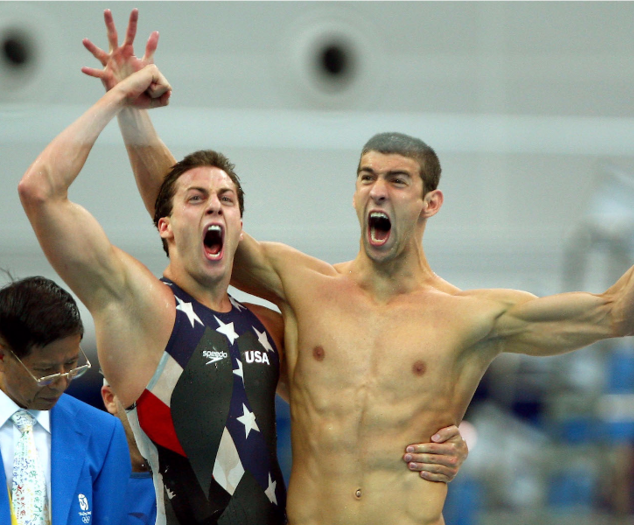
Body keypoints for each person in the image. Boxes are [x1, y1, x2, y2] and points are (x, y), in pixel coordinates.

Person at [81, 9, 634, 525]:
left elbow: (619, 313)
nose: (378, 191)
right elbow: (186, 214)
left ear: (431, 203)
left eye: (397, 181)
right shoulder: (304, 285)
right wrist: (133, 112)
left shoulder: (474, 316)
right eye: (367, 178)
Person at [20, 60, 465, 525]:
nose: (214, 203)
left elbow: (361, 407)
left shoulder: (267, 327)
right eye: (196, 198)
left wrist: (446, 444)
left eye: (226, 199)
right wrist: (116, 101)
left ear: (238, 228)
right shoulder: (142, 308)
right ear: (165, 227)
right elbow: (40, 192)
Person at [0, 275, 131, 525]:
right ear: (2, 356)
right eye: (46, 371)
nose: (62, 383)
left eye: (71, 365)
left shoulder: (104, 434)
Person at [101, 378, 157, 525]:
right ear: (110, 399)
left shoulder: (211, 480)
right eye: (143, 395)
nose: (158, 408)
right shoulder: (81, 478)